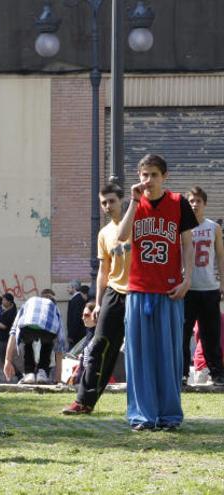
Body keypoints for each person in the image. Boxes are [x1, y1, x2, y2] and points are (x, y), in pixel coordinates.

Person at [117, 154, 197, 431]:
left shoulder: (179, 203)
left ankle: (169, 415)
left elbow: (187, 244)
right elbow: (121, 236)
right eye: (143, 175)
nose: (147, 180)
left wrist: (188, 278)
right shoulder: (135, 204)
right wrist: (133, 203)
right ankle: (142, 415)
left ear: (165, 176)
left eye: (153, 174)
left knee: (168, 355)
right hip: (138, 290)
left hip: (169, 290)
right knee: (139, 357)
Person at [63, 182, 131, 415]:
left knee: (141, 348)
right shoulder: (104, 233)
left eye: (112, 201)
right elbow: (103, 270)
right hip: (114, 292)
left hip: (140, 293)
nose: (107, 206)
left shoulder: (137, 224)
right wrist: (99, 302)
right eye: (103, 203)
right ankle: (84, 402)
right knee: (98, 346)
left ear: (121, 200)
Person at [181, 186, 224, 386]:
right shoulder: (183, 227)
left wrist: (222, 283)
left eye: (198, 201)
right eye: (191, 201)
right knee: (183, 333)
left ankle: (217, 373)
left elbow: (221, 257)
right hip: (188, 289)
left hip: (209, 288)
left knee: (211, 334)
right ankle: (181, 374)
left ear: (205, 204)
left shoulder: (214, 227)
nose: (195, 204)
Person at [3, 289, 66, 385]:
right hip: (47, 329)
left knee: (28, 344)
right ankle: (42, 372)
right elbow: (60, 340)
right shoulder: (54, 308)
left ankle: (29, 374)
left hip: (28, 326)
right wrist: (58, 379)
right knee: (47, 344)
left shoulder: (29, 303)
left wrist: (8, 360)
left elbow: (14, 332)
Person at [0, 293, 17, 383]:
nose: (3, 301)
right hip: (2, 338)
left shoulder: (11, 313)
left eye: (4, 300)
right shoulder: (5, 310)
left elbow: (4, 326)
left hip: (2, 339)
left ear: (9, 302)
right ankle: (19, 375)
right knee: (5, 359)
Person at [66, 280, 87, 349]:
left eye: (68, 287)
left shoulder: (76, 300)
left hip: (76, 336)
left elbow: (75, 319)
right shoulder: (77, 299)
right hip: (77, 334)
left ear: (74, 288)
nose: (67, 290)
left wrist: (71, 335)